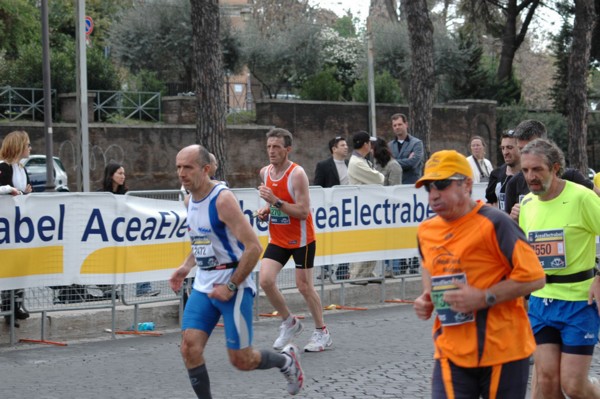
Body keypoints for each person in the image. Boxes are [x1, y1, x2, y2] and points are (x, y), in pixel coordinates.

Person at [170, 144, 304, 398]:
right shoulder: (189, 200)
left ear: (205, 169)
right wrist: (186, 266)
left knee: (242, 360)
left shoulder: (222, 199)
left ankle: (286, 362)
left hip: (234, 286)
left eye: (187, 167)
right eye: (178, 167)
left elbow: (254, 248)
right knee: (189, 348)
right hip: (204, 284)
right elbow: (203, 239)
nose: (181, 173)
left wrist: (230, 286)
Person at [413, 149, 546, 399]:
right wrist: (427, 297)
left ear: (467, 185)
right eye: (428, 187)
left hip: (503, 351)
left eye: (441, 185)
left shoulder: (496, 223)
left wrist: (485, 297)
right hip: (451, 351)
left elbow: (535, 277)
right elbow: (428, 264)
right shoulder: (426, 230)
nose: (433, 194)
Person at [518, 138, 600, 399]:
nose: (530, 176)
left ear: (555, 168)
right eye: (526, 170)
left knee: (573, 385)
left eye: (537, 170)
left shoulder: (582, 198)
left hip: (578, 302)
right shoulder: (528, 205)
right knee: (547, 383)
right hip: (542, 303)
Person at [256, 128, 332, 353]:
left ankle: (322, 332)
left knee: (304, 286)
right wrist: (266, 210)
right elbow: (274, 203)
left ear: (287, 149)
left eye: (277, 147)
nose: (272, 151)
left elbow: (302, 211)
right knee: (265, 281)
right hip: (278, 238)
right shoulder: (265, 173)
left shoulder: (297, 174)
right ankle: (289, 322)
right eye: (269, 146)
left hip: (301, 240)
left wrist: (275, 202)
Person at [504, 119, 598, 222]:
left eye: (532, 148)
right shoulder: (514, 185)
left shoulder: (572, 179)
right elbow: (507, 231)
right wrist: (513, 219)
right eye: (521, 149)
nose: (527, 154)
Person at [101, 162, 160, 297]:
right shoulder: (101, 195)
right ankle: (109, 290)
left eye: (124, 174)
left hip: (125, 237)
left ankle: (143, 290)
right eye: (120, 173)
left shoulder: (127, 194)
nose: (123, 176)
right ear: (111, 175)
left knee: (139, 255)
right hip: (107, 240)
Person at [0, 130, 32, 327]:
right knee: (10, 264)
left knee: (21, 263)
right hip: (6, 223)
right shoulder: (4, 167)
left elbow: (23, 191)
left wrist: (25, 192)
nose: (30, 148)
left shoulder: (21, 167)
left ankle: (17, 303)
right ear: (18, 146)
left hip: (19, 222)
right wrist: (18, 191)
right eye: (27, 144)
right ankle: (8, 306)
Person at [347, 131, 384, 282]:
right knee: (363, 241)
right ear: (365, 144)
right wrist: (378, 175)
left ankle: (367, 272)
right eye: (369, 142)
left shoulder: (361, 161)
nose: (371, 145)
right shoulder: (356, 163)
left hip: (368, 207)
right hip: (362, 207)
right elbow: (378, 178)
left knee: (372, 240)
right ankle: (357, 274)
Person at [313, 136, 349, 280]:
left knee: (345, 238)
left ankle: (343, 269)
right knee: (328, 239)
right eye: (342, 145)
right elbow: (317, 186)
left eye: (346, 145)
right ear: (334, 149)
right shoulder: (323, 165)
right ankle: (326, 269)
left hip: (347, 208)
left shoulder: (350, 164)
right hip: (329, 210)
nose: (346, 147)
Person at [372, 137, 403, 277]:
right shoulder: (378, 165)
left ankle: (393, 267)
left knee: (393, 238)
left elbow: (395, 189)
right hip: (380, 210)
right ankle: (387, 267)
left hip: (391, 209)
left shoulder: (393, 166)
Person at [485, 129, 521, 211]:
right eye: (503, 148)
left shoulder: (530, 175)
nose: (505, 152)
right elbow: (490, 201)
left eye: (509, 147)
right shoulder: (495, 174)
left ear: (520, 148)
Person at [387, 113, 424, 184]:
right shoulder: (389, 145)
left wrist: (392, 163)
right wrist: (407, 160)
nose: (397, 127)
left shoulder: (416, 143)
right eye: (394, 125)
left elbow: (413, 163)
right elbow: (386, 165)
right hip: (394, 186)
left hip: (411, 186)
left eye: (399, 124)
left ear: (406, 124)